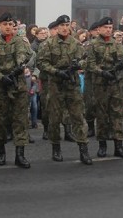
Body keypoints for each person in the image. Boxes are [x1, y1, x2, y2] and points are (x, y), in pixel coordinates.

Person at [37, 14, 93, 164]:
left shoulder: (75, 43)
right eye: (62, 25)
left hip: (72, 85)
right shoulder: (48, 44)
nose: (65, 28)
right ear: (57, 27)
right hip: (55, 85)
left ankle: (83, 149)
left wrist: (78, 64)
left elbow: (86, 60)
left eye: (67, 25)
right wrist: (56, 71)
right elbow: (41, 63)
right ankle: (56, 147)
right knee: (54, 119)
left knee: (78, 117)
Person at [0, 12, 32, 168]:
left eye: (10, 25)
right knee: (0, 121)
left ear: (14, 26)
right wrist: (1, 77)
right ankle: (1, 152)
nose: (8, 27)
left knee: (20, 121)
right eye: (5, 24)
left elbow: (22, 55)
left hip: (17, 86)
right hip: (0, 87)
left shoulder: (20, 41)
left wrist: (19, 67)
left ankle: (20, 155)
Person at [84, 16, 123, 158]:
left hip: (115, 83)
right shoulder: (93, 44)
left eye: (110, 28)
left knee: (117, 114)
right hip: (101, 84)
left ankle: (118, 145)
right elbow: (89, 64)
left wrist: (122, 65)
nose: (109, 30)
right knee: (102, 115)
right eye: (106, 28)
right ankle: (102, 145)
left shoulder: (116, 44)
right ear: (99, 29)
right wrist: (102, 72)